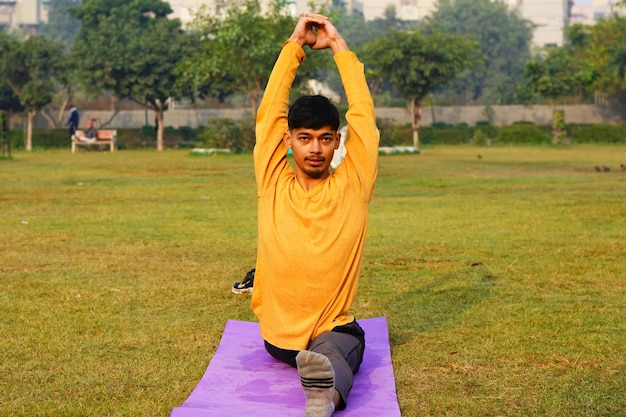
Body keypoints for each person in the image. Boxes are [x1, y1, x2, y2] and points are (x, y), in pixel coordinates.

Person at [252, 14, 379, 417]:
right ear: (288, 140)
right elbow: (270, 111)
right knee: (344, 344)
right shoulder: (273, 180)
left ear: (337, 141)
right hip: (281, 338)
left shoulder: (352, 184)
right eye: (304, 138)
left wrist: (339, 45)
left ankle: (324, 395)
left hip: (326, 330)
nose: (315, 149)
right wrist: (294, 45)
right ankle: (325, 376)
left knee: (334, 346)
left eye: (326, 139)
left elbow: (364, 118)